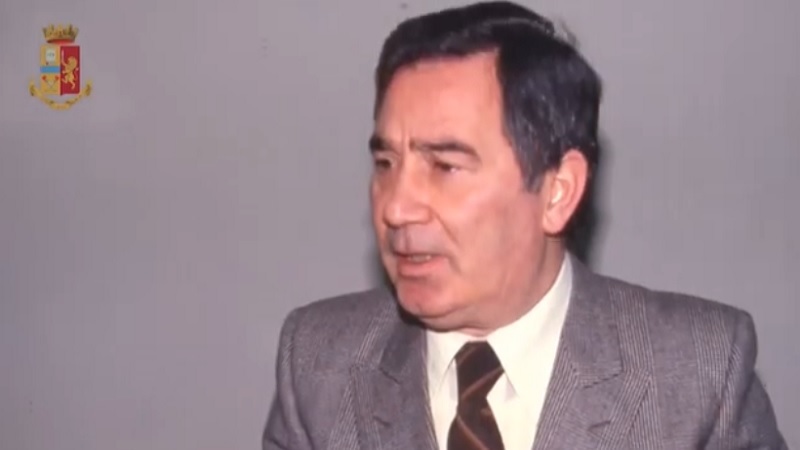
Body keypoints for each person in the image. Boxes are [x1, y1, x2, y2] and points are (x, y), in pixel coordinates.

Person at [262, 2, 787, 449]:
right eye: (385, 164)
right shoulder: (317, 365)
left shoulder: (698, 375)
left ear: (557, 192)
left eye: (445, 167)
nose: (396, 207)